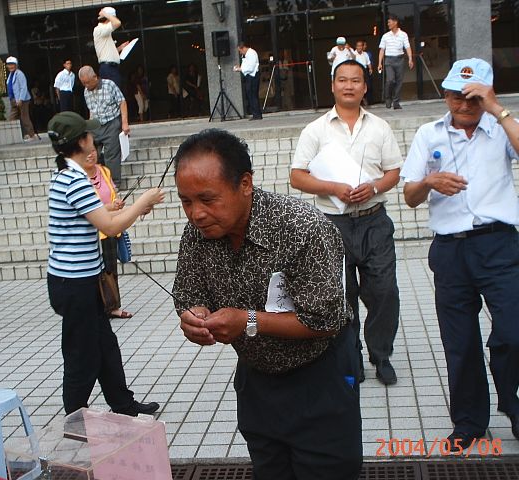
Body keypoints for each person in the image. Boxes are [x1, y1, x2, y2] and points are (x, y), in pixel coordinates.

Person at [173, 129, 362, 479]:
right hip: (257, 380)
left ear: (245, 183)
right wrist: (194, 317)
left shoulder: (302, 229)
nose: (196, 214)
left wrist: (247, 321)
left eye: (207, 199)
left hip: (320, 374)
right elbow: (188, 293)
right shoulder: (198, 234)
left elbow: (325, 320)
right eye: (186, 201)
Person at [401, 58, 519, 449]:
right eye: (456, 95)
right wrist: (429, 181)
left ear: (487, 96)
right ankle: (469, 422)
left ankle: (511, 399)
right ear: (445, 95)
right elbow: (410, 196)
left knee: (513, 332)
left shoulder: (500, 128)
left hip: (498, 245)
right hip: (450, 250)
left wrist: (498, 109)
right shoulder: (429, 134)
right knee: (460, 341)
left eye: (473, 97)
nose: (463, 104)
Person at [290, 60, 402, 386]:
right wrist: (333, 188)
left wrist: (375, 187)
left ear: (365, 87)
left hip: (374, 221)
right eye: (342, 80)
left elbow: (394, 171)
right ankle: (351, 357)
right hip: (332, 223)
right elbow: (297, 176)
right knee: (342, 295)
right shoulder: (316, 130)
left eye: (355, 80)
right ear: (333, 85)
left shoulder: (379, 127)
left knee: (384, 291)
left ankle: (381, 355)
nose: (349, 86)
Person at [46, 111, 164, 415]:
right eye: (88, 135)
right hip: (75, 284)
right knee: (81, 354)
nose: (93, 139)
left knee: (105, 346)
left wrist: (132, 210)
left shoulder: (66, 176)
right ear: (80, 142)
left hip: (79, 281)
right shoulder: (75, 180)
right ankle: (75, 417)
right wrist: (141, 203)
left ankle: (123, 405)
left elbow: (99, 217)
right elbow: (109, 228)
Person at [81, 138, 134, 319]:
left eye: (93, 150)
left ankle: (113, 306)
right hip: (92, 231)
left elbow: (112, 194)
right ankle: (97, 306)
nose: (91, 154)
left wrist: (116, 203)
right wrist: (110, 207)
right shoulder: (79, 179)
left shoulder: (104, 171)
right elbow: (88, 209)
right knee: (95, 271)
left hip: (110, 228)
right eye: (86, 152)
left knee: (110, 269)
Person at [79, 65, 130, 186]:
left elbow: (122, 102)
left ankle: (114, 183)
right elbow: (91, 110)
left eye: (88, 82)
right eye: (83, 83)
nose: (86, 86)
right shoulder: (86, 91)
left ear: (94, 77)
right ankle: (96, 182)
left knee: (111, 155)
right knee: (91, 154)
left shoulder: (109, 85)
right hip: (95, 126)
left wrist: (124, 123)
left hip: (111, 123)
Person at [378, 14, 414, 110]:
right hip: (389, 60)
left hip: (400, 60)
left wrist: (410, 59)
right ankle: (388, 98)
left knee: (399, 82)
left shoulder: (403, 34)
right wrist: (379, 63)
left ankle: (396, 102)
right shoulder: (385, 36)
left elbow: (407, 47)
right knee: (390, 80)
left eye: (389, 22)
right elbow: (382, 50)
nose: (388, 24)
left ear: (395, 22)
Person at [93, 6, 130, 88]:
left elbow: (108, 52)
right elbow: (117, 23)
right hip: (108, 68)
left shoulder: (105, 32)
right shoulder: (100, 29)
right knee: (114, 92)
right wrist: (105, 14)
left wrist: (120, 48)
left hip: (110, 68)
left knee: (114, 92)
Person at [6, 56, 38, 141]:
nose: (11, 66)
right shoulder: (11, 75)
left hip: (22, 100)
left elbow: (23, 87)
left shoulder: (19, 74)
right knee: (12, 118)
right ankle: (15, 136)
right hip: (13, 100)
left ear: (16, 65)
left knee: (24, 118)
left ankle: (32, 135)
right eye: (9, 64)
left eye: (12, 64)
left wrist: (20, 99)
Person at [234, 41, 262, 121]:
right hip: (250, 76)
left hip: (253, 76)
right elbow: (246, 65)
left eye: (240, 51)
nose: (240, 53)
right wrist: (240, 67)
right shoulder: (246, 54)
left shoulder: (251, 53)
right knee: (250, 95)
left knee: (253, 95)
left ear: (243, 48)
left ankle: (257, 114)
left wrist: (240, 69)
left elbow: (251, 68)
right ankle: (255, 113)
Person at [354, 40, 373, 106]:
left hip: (365, 70)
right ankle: (361, 99)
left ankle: (364, 98)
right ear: (356, 47)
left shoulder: (365, 54)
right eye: (358, 46)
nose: (359, 47)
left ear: (362, 47)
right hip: (357, 71)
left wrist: (370, 68)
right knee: (358, 86)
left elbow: (368, 62)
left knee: (368, 85)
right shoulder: (353, 54)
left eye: (360, 46)